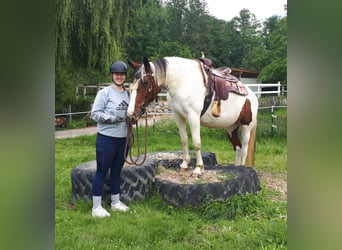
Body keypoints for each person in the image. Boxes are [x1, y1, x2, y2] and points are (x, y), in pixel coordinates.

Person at [90, 61, 130, 218]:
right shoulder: (104, 93)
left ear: (125, 76)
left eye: (122, 74)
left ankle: (115, 202)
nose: (119, 77)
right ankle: (96, 207)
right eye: (116, 74)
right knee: (101, 171)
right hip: (107, 138)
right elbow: (95, 114)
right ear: (112, 75)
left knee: (116, 171)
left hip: (124, 139)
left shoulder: (128, 94)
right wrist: (113, 118)